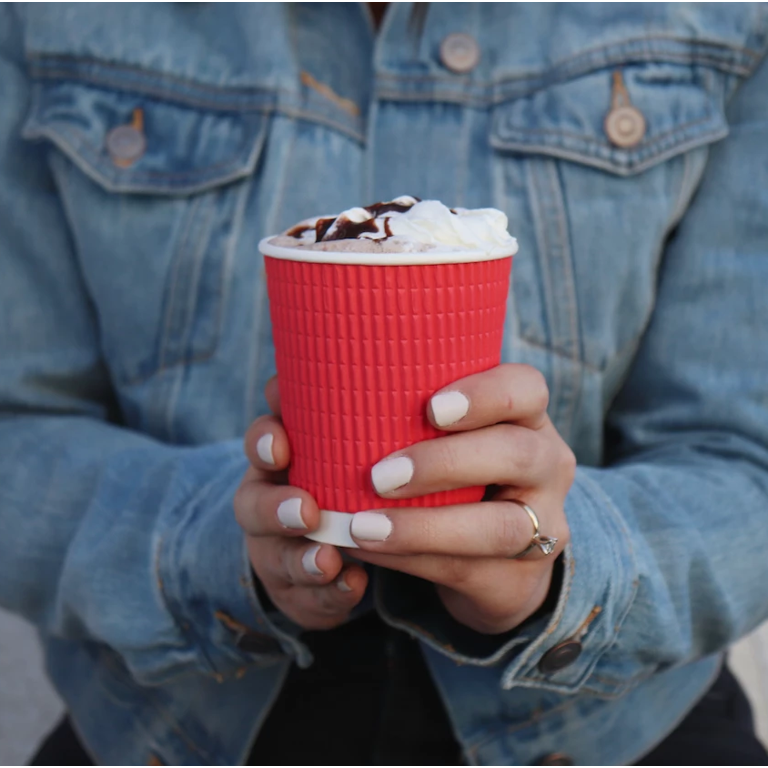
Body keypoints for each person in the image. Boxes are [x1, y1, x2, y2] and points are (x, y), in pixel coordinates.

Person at [2, 2, 768, 765]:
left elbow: (742, 458)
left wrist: (560, 563)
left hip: (611, 725)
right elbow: (17, 422)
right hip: (171, 725)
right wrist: (210, 542)